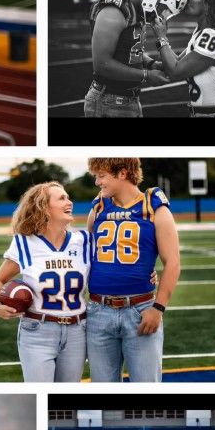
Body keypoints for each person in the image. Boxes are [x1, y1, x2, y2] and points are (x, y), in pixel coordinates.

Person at [86, 158, 180, 381]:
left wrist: (158, 308)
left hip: (140, 309)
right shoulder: (98, 207)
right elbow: (87, 256)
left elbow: (173, 262)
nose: (98, 182)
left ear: (122, 173)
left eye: (102, 175)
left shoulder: (153, 205)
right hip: (99, 310)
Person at [0, 182, 92, 382]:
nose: (69, 202)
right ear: (44, 207)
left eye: (68, 197)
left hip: (77, 331)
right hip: (38, 330)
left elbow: (112, 268)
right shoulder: (24, 243)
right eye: (61, 198)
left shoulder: (84, 241)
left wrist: (146, 276)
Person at [84, 0, 188, 117]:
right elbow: (102, 65)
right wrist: (146, 75)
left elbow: (131, 50)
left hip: (128, 100)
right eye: (162, 6)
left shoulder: (135, 8)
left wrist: (152, 64)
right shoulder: (114, 12)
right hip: (108, 101)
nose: (161, 13)